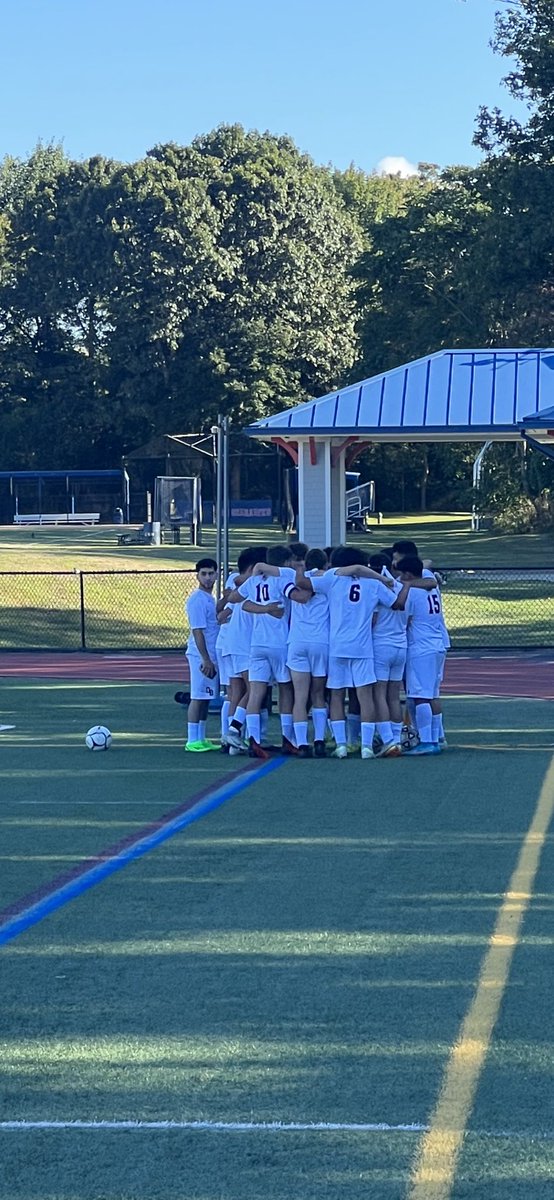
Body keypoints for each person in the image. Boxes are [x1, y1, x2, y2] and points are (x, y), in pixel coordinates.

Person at [295, 547, 403, 760]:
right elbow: (396, 603)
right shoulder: (373, 584)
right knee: (366, 696)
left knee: (336, 694)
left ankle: (341, 745)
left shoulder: (332, 578)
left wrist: (299, 570)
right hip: (363, 647)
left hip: (337, 646)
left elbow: (303, 584)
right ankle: (366, 747)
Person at [228, 545, 298, 759]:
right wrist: (270, 608)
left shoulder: (255, 580)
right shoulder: (285, 576)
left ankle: (254, 740)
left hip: (257, 644)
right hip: (279, 642)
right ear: (286, 562)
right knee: (286, 689)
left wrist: (261, 608)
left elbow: (234, 599)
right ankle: (288, 738)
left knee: (256, 692)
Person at [395, 555, 446, 755]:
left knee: (419, 696)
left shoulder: (412, 592)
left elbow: (405, 620)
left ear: (407, 574)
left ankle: (428, 741)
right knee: (432, 694)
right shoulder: (431, 588)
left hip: (420, 648)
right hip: (436, 645)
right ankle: (437, 737)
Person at [184, 558, 220, 752]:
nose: (207, 578)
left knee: (206, 697)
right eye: (203, 574)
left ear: (216, 574)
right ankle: (192, 739)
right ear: (197, 575)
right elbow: (198, 632)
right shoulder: (197, 600)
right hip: (200, 655)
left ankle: (202, 737)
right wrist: (205, 659)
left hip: (211, 655)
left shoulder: (210, 599)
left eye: (210, 573)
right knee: (197, 696)